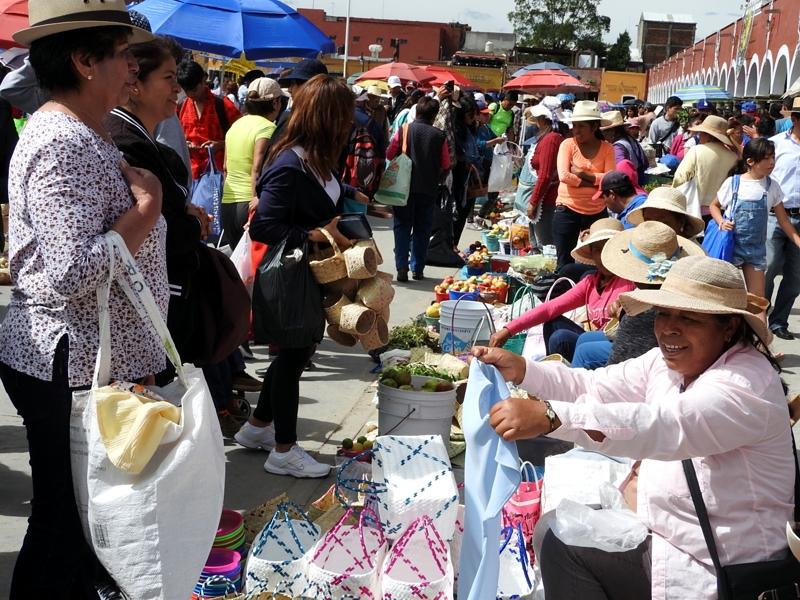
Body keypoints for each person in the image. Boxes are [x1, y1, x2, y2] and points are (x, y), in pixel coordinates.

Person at [474, 254, 790, 600]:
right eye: (664, 313)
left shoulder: (744, 384)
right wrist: (523, 370)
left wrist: (551, 416)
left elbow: (664, 427)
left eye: (688, 318)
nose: (669, 327)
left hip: (719, 567)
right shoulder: (668, 362)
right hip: (675, 536)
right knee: (557, 527)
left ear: (728, 326)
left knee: (561, 542)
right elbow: (595, 386)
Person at [0, 2, 165, 596]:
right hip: (65, 361)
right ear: (84, 61)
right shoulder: (62, 140)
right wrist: (145, 215)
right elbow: (69, 272)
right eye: (124, 56)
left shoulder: (85, 132)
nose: (133, 68)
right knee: (65, 525)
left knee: (82, 525)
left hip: (89, 364)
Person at [234, 75, 361, 478]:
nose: (351, 123)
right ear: (328, 118)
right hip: (290, 275)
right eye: (345, 115)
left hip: (309, 272)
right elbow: (264, 226)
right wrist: (316, 233)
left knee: (296, 353)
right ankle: (284, 450)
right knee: (292, 356)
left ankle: (258, 428)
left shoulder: (314, 158)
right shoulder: (290, 163)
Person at [489, 219, 635, 361]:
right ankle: (555, 367)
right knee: (552, 322)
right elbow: (551, 307)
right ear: (591, 253)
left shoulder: (629, 280)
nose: (603, 256)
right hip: (594, 340)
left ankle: (560, 376)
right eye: (598, 249)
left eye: (608, 249)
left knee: (561, 339)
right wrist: (508, 330)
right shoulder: (591, 282)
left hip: (615, 345)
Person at [571, 220, 705, 369]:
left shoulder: (642, 313)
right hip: (653, 350)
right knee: (585, 339)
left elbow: (616, 368)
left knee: (585, 353)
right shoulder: (679, 291)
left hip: (651, 363)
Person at [710, 138, 800, 308]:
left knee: (757, 302)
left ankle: (758, 334)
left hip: (755, 251)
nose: (772, 162)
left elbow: (783, 221)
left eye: (773, 157)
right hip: (729, 246)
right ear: (750, 161)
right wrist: (721, 221)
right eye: (766, 158)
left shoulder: (772, 187)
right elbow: (714, 206)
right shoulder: (733, 183)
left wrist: (798, 241)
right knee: (723, 298)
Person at [387, 96, 450, 281]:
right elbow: (446, 164)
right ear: (434, 115)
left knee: (402, 227)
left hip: (403, 189)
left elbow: (390, 153)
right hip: (429, 189)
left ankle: (401, 267)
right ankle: (418, 268)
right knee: (422, 229)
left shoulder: (404, 130)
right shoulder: (440, 136)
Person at [221, 77, 284, 248]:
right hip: (250, 203)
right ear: (276, 103)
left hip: (228, 202)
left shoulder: (236, 125)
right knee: (256, 268)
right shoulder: (268, 128)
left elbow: (225, 167)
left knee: (238, 266)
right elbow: (256, 168)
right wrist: (256, 198)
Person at [553, 100, 616, 268]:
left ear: (594, 127)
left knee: (595, 263)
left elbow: (610, 179)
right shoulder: (567, 144)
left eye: (581, 126)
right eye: (574, 125)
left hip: (597, 212)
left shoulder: (607, 148)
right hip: (567, 209)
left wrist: (582, 173)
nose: (576, 130)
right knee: (563, 263)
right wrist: (595, 183)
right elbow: (564, 176)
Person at [766, 98, 800, 340]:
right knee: (769, 266)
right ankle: (758, 315)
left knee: (796, 274)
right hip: (775, 216)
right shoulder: (775, 145)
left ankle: (779, 322)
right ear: (795, 119)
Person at [176, 60, 241, 184]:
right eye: (187, 90)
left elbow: (242, 138)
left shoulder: (223, 105)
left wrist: (220, 145)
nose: (190, 94)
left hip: (217, 173)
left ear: (203, 81)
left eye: (194, 90)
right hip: (189, 173)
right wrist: (185, 144)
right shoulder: (181, 106)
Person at [672, 115, 739, 221]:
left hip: (694, 208)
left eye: (701, 133)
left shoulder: (696, 150)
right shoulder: (734, 157)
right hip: (721, 212)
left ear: (707, 135)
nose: (699, 135)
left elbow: (679, 178)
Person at [270, 59, 328, 146]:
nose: (289, 90)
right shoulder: (338, 120)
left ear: (309, 87)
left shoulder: (292, 118)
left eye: (293, 84)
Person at [626, 186, 706, 240]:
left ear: (681, 222)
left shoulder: (691, 257)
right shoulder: (642, 246)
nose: (654, 227)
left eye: (663, 222)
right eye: (648, 220)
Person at [600, 110, 648, 185]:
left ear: (613, 131)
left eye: (605, 132)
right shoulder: (630, 139)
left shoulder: (618, 147)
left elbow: (619, 172)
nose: (604, 135)